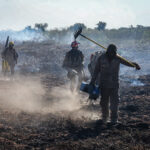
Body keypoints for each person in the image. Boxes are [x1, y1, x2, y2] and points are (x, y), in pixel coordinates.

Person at [90, 44, 140, 124]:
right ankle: (105, 118)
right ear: (107, 52)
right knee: (104, 102)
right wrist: (92, 82)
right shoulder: (101, 58)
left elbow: (127, 62)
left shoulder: (118, 58)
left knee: (115, 102)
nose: (112, 54)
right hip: (104, 84)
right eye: (110, 52)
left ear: (115, 52)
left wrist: (135, 65)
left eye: (113, 53)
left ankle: (114, 119)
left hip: (114, 85)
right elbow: (96, 71)